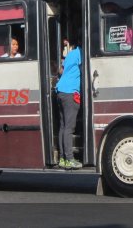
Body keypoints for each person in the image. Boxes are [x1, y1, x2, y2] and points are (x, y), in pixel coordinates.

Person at [56, 38, 82, 170]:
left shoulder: (71, 53)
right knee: (69, 128)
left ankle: (62, 159)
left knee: (63, 126)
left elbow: (61, 70)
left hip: (60, 90)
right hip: (70, 91)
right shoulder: (80, 53)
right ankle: (70, 159)